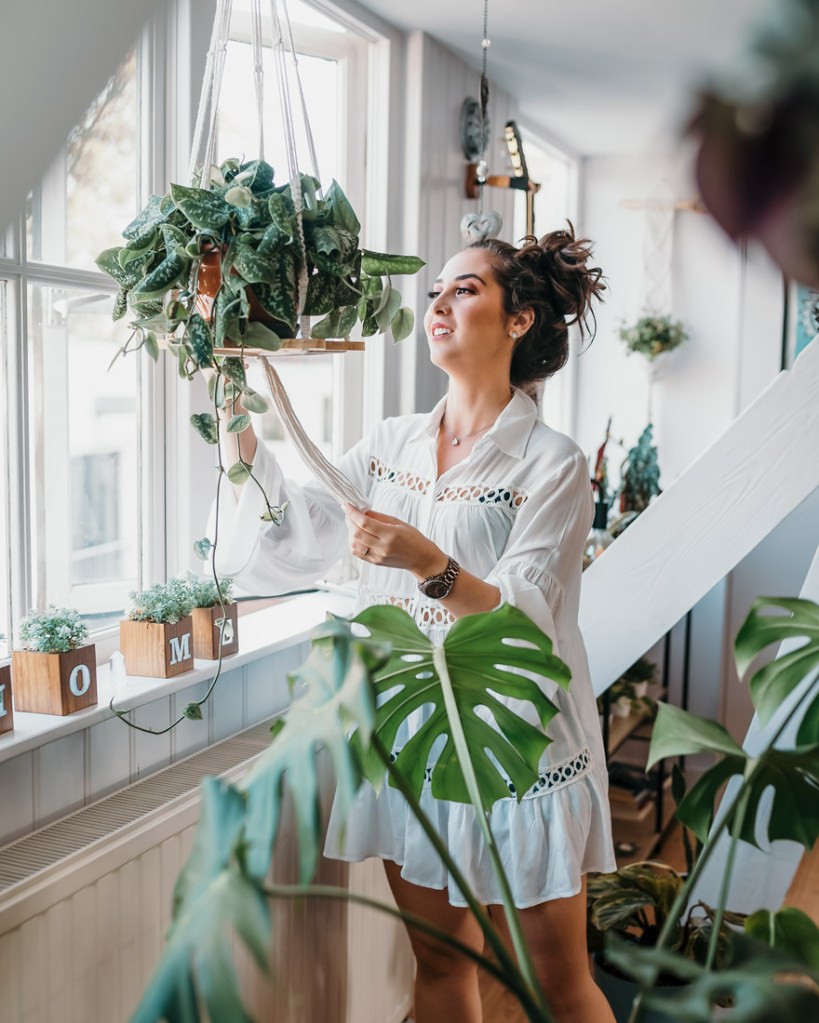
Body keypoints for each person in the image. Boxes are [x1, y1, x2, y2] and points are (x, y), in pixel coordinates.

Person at [215, 224, 617, 1023]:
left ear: (519, 321)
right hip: (415, 734)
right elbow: (303, 532)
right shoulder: (391, 442)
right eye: (435, 288)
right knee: (438, 966)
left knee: (557, 987)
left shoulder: (553, 462)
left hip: (519, 744)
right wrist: (233, 405)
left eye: (464, 288)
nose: (436, 301)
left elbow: (525, 615)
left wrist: (427, 560)